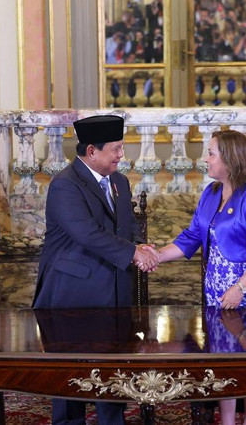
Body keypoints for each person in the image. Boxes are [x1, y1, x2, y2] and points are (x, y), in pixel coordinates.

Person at [32, 115, 158, 424]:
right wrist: (134, 253)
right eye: (115, 149)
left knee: (113, 375)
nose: (120, 155)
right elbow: (87, 233)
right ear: (92, 151)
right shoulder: (64, 185)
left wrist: (142, 248)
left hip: (114, 292)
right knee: (70, 379)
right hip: (72, 296)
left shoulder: (120, 181)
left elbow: (126, 227)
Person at [156, 129, 246, 425]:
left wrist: (240, 288)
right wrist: (157, 255)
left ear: (230, 159)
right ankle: (227, 420)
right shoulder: (211, 193)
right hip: (219, 293)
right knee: (223, 358)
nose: (206, 159)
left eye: (211, 153)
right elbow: (191, 237)